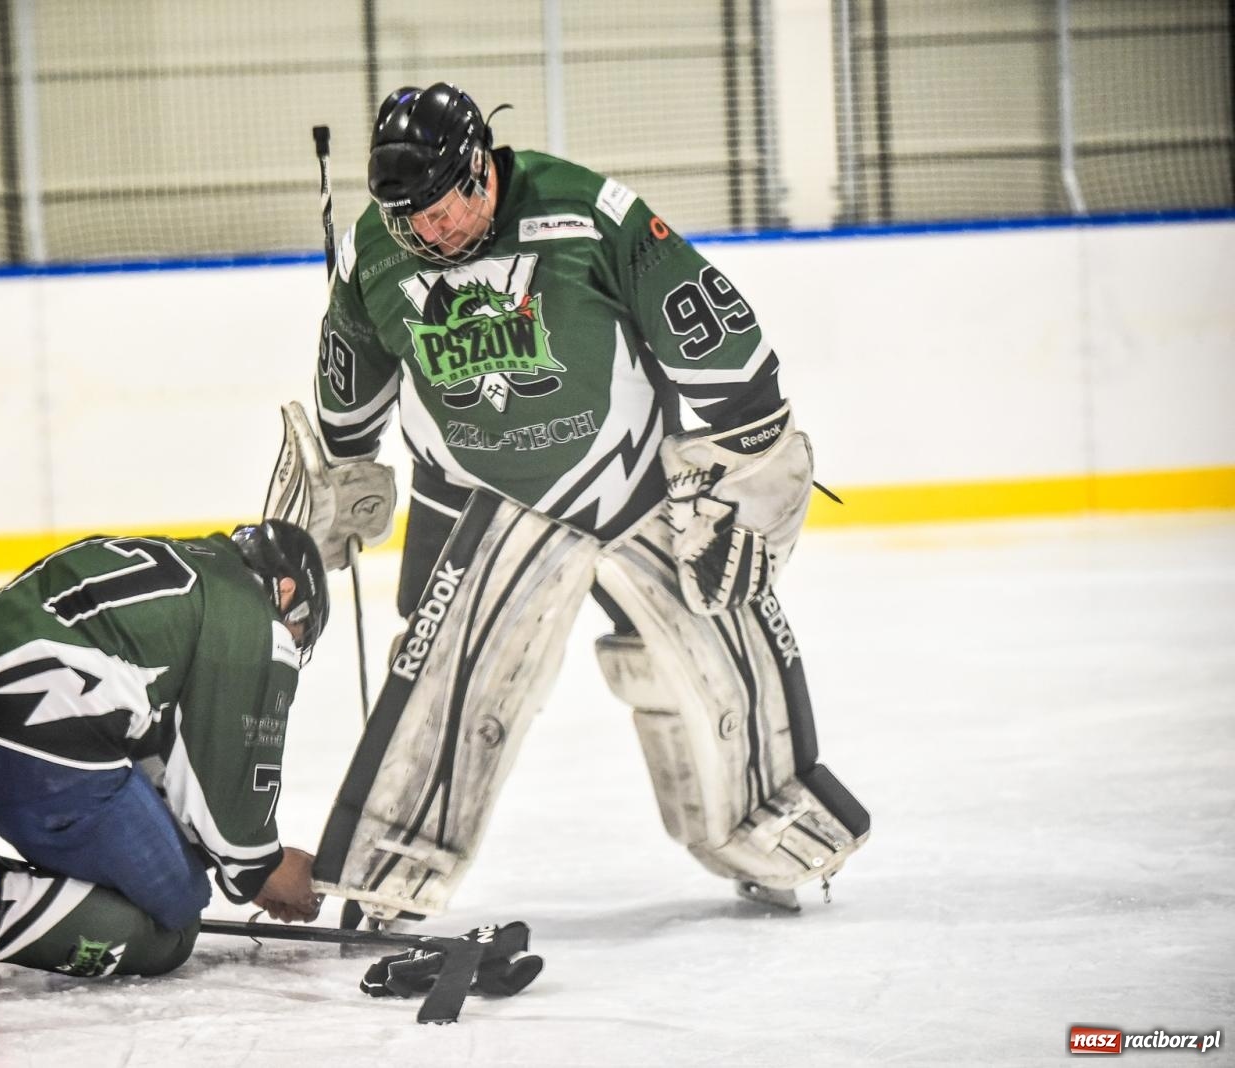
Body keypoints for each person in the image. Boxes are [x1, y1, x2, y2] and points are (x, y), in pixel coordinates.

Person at [269, 82, 871, 924]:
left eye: (450, 207)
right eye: (416, 220)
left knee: (721, 649)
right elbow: (349, 386)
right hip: (485, 498)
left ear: (483, 163)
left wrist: (752, 470)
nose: (435, 231)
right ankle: (386, 877)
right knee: (450, 682)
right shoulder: (376, 249)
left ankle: (770, 834)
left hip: (634, 481)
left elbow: (720, 344)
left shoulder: (589, 211)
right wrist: (339, 472)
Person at [0, 520, 329, 977]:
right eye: (300, 627)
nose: (293, 638)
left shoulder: (162, 559)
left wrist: (234, 865)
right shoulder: (253, 617)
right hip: (40, 745)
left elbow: (158, 758)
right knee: (173, 919)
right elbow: (224, 799)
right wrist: (265, 868)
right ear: (285, 592)